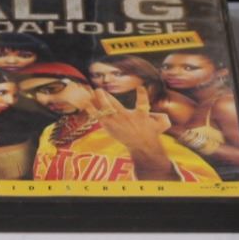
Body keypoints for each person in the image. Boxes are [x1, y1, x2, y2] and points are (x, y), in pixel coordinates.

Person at [19, 63, 217, 183]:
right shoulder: (51, 131)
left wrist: (145, 148)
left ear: (85, 86)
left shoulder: (135, 125)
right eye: (32, 94)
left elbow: (204, 191)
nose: (43, 100)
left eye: (52, 88)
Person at [158, 50, 239, 180]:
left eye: (189, 68)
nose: (172, 73)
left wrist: (184, 135)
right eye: (167, 67)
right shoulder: (192, 102)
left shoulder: (225, 104)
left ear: (221, 73)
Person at [88, 55, 190, 132]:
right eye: (97, 75)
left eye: (118, 74)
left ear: (142, 74)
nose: (106, 80)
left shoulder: (170, 105)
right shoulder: (102, 100)